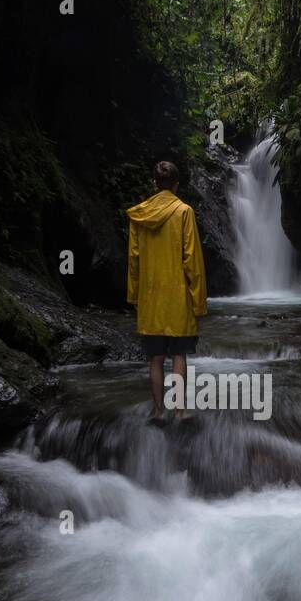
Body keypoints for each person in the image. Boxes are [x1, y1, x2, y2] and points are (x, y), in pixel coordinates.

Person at [126, 160, 207, 423]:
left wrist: (134, 296)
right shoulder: (184, 212)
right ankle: (180, 410)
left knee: (156, 359)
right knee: (179, 356)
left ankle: (158, 411)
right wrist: (198, 301)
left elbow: (134, 259)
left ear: (153, 183)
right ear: (176, 184)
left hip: (150, 299)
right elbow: (192, 260)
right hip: (178, 298)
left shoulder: (139, 215)